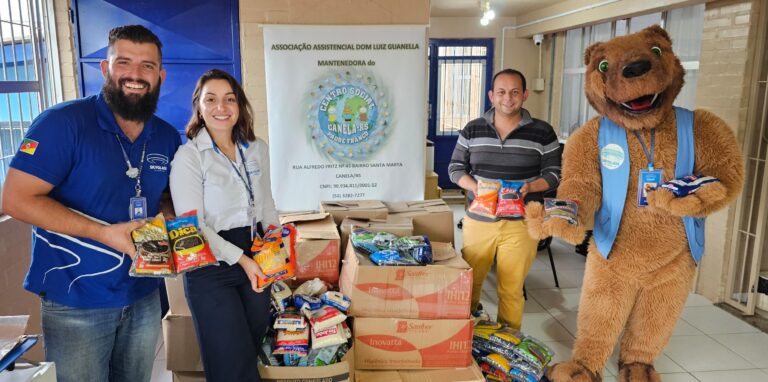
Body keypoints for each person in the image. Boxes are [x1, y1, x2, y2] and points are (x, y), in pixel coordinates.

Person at [1, 25, 180, 381]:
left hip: (144, 294)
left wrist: (174, 225)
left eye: (147, 66)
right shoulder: (63, 123)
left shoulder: (164, 135)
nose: (135, 75)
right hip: (76, 300)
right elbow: (16, 199)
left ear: (160, 75)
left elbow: (165, 198)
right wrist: (104, 233)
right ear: (105, 68)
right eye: (124, 62)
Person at [169, 69, 279, 381]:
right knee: (230, 361)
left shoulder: (256, 148)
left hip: (256, 255)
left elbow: (267, 202)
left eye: (229, 99)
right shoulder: (189, 157)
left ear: (240, 105)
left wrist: (275, 245)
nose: (221, 107)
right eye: (211, 99)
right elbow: (193, 225)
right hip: (211, 264)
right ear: (199, 107)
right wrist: (243, 260)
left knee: (250, 348)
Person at [448, 68, 561, 329]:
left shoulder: (542, 132)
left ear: (524, 95)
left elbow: (555, 174)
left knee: (510, 291)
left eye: (514, 92)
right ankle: (468, 341)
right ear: (491, 95)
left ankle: (506, 345)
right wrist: (476, 188)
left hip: (521, 224)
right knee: (469, 287)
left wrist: (530, 186)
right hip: (478, 221)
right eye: (501, 92)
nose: (507, 98)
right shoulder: (473, 129)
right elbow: (455, 169)